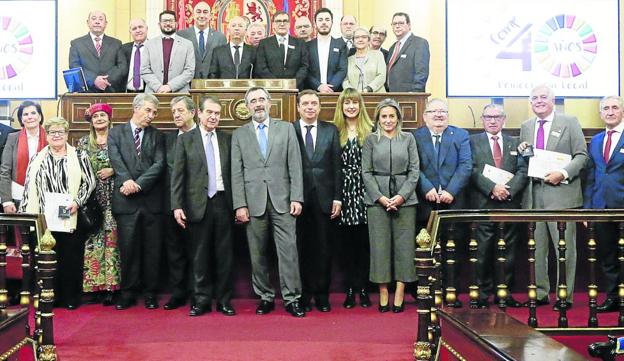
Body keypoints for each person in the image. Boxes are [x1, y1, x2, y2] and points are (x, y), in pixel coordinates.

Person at [231, 87, 305, 317]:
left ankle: (292, 298)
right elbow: (236, 172)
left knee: (288, 251)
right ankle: (265, 296)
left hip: (283, 200)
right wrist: (239, 204)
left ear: (270, 103)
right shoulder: (239, 134)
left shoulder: (286, 129)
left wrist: (297, 197)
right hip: (253, 204)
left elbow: (295, 165)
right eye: (253, 101)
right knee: (257, 253)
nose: (258, 104)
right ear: (248, 106)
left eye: (262, 99)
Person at [518, 84, 587, 310]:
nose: (539, 101)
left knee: (564, 249)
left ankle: (564, 296)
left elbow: (581, 156)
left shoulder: (570, 122)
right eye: (534, 97)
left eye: (543, 97)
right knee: (536, 248)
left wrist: (563, 173)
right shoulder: (526, 126)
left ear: (553, 100)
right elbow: (527, 160)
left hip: (563, 197)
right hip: (534, 196)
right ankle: (540, 292)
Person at [20, 117, 96, 309]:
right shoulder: (37, 158)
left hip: (71, 215)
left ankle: (70, 297)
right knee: (48, 258)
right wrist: (26, 214)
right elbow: (29, 185)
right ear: (47, 135)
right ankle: (50, 296)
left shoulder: (79, 155)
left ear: (67, 134)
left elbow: (90, 182)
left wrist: (77, 202)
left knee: (71, 257)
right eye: (52, 132)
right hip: (45, 218)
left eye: (60, 132)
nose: (56, 136)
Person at [172, 96, 236, 317]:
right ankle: (201, 301)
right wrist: (177, 205)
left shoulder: (228, 139)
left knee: (224, 256)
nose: (213, 117)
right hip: (196, 205)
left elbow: (235, 175)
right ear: (199, 113)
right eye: (209, 112)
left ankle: (225, 301)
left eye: (217, 113)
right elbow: (178, 176)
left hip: (223, 202)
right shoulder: (185, 140)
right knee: (199, 256)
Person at [108, 93, 166, 310]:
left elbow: (159, 165)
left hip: (151, 201)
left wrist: (138, 184)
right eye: (148, 110)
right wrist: (127, 181)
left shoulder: (158, 136)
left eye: (154, 112)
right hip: (126, 202)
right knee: (128, 249)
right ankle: (128, 292)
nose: (151, 116)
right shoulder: (116, 133)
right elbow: (116, 160)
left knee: (153, 250)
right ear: (136, 108)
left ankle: (150, 293)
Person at [362, 99, 419, 313]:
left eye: (391, 116)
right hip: (377, 201)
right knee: (380, 246)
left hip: (405, 200)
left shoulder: (408, 138)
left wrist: (401, 196)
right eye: (383, 116)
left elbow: (414, 171)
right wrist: (380, 197)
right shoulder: (370, 140)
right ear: (377, 119)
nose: (388, 120)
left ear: (398, 119)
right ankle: (383, 290)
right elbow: (365, 172)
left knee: (404, 247)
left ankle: (401, 290)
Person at [469, 104, 527, 309]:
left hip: (509, 205)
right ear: (482, 119)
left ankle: (505, 293)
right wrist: (492, 188)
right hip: (483, 204)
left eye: (497, 117)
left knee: (508, 253)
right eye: (488, 117)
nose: (492, 121)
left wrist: (508, 190)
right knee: (482, 252)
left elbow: (523, 170)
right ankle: (482, 295)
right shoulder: (471, 141)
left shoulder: (516, 142)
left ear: (504, 120)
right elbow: (471, 169)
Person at [293, 90, 342, 312]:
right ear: (298, 107)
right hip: (298, 199)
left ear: (320, 107)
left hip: (325, 198)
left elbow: (337, 168)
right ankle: (303, 294)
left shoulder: (330, 130)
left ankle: (322, 294)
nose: (310, 107)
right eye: (306, 104)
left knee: (323, 248)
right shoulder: (289, 130)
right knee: (301, 249)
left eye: (314, 103)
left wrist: (338, 198)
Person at [332, 88, 374, 309]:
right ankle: (349, 289)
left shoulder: (371, 131)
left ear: (360, 106)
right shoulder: (334, 130)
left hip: (366, 192)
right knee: (346, 246)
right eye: (347, 103)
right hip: (343, 194)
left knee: (364, 245)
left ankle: (364, 289)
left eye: (355, 103)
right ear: (341, 106)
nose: (351, 107)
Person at [584, 96, 624, 313]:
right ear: (601, 114)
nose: (610, 112)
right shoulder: (597, 140)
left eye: (615, 108)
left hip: (622, 207)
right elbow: (591, 175)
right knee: (608, 256)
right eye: (606, 108)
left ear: (622, 112)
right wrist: (588, 208)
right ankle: (613, 298)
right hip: (600, 206)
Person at [78, 103, 121, 306]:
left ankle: (111, 287)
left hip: (115, 197)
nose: (99, 119)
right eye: (96, 117)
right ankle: (94, 286)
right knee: (93, 241)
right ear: (91, 121)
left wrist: (112, 171)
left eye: (103, 115)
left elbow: (128, 162)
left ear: (109, 118)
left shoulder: (118, 139)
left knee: (112, 242)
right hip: (92, 200)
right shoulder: (84, 142)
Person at [412, 98, 472, 228]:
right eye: (433, 111)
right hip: (425, 201)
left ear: (448, 115)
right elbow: (413, 166)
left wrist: (450, 191)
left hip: (454, 201)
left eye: (442, 111)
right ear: (425, 116)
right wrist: (426, 188)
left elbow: (465, 166)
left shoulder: (461, 135)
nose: (438, 114)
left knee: (453, 244)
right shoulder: (414, 137)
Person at [162, 96, 196, 311]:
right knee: (174, 252)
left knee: (197, 251)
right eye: (174, 111)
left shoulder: (203, 136)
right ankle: (178, 293)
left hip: (197, 203)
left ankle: (197, 292)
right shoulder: (168, 139)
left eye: (181, 110)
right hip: (172, 203)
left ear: (193, 113)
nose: (176, 114)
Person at [1, 101, 47, 214]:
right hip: (17, 195)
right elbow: (5, 171)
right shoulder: (12, 138)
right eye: (25, 114)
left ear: (40, 116)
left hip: (44, 195)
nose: (30, 117)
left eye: (33, 113)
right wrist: (6, 201)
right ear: (21, 119)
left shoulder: (50, 137)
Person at [69, 10, 127, 92]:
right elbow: (74, 66)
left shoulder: (116, 43)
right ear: (88, 23)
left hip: (110, 91)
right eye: (94, 19)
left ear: (106, 24)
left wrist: (106, 80)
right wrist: (93, 80)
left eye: (100, 19)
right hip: (86, 93)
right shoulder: (77, 43)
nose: (97, 22)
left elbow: (122, 67)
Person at [141, 10, 195, 93]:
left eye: (171, 21)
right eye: (165, 21)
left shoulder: (187, 44)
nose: (168, 23)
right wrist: (158, 87)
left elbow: (189, 71)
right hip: (153, 93)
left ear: (176, 24)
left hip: (180, 93)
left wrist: (170, 86)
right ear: (159, 24)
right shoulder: (149, 44)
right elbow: (144, 70)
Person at [255, 12, 309, 90]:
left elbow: (304, 66)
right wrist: (276, 84)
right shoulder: (264, 43)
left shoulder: (300, 43)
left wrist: (293, 83)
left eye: (285, 21)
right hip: (271, 89)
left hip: (295, 89)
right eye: (278, 21)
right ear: (273, 24)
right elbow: (261, 67)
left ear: (289, 24)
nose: (282, 24)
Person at [178, 1, 227, 79]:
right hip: (187, 84)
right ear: (193, 15)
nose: (201, 15)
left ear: (210, 15)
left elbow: (223, 65)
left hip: (212, 85)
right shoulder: (181, 36)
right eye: (198, 12)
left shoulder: (220, 37)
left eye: (205, 12)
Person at [306, 8, 347, 93]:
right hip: (312, 92)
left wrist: (330, 88)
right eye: (320, 20)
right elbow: (305, 69)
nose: (324, 22)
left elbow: (342, 69)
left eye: (327, 19)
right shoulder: (307, 46)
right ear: (315, 23)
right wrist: (319, 86)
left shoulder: (341, 45)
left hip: (335, 93)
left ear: (332, 22)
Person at [386, 12, 430, 92]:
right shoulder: (392, 48)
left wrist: (415, 93)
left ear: (409, 25)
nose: (397, 26)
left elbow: (421, 72)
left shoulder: (419, 43)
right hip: (392, 95)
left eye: (401, 23)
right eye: (394, 24)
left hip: (410, 97)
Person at [342, 27, 386, 93]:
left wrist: (368, 89)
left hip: (376, 96)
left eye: (364, 37)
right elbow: (345, 80)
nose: (360, 40)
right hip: (355, 98)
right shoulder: (349, 59)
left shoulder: (378, 55)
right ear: (353, 41)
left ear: (369, 40)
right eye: (357, 37)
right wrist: (353, 92)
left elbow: (381, 76)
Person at [120, 19, 148, 92]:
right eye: (134, 28)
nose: (138, 30)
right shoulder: (123, 49)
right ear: (130, 32)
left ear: (146, 28)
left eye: (140, 27)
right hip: (127, 94)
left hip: (147, 93)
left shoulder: (154, 47)